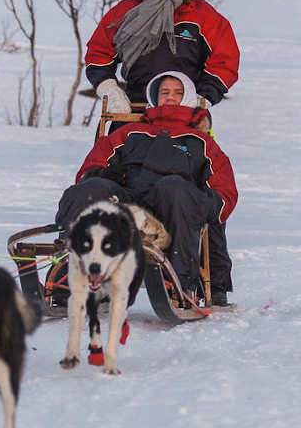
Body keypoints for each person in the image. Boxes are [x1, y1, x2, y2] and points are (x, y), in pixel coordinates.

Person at [55, 71, 238, 305]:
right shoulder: (128, 132)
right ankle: (69, 279)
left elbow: (225, 192)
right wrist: (102, 174)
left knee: (172, 187)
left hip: (172, 210)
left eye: (178, 93)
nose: (170, 98)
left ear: (189, 98)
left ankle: (179, 285)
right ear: (154, 97)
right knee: (88, 190)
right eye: (164, 92)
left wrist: (200, 203)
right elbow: (91, 168)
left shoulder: (201, 141)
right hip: (127, 206)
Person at [85, 0, 239, 114]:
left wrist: (202, 98)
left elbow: (225, 61)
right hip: (132, 109)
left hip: (185, 111)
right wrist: (110, 90)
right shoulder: (126, 11)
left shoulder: (203, 16)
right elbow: (99, 52)